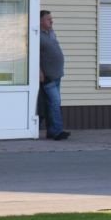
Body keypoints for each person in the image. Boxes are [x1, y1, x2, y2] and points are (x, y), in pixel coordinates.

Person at [40, 11, 70, 141]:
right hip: (48, 76)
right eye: (48, 19)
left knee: (51, 104)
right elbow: (34, 56)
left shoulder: (51, 33)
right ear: (40, 21)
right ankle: (57, 131)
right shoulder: (37, 36)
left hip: (57, 75)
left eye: (51, 19)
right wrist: (40, 71)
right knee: (55, 102)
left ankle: (52, 131)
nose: (51, 21)